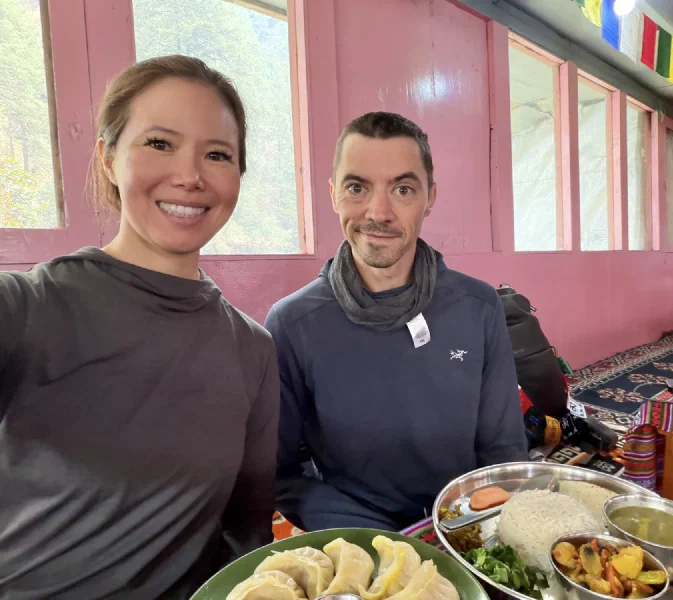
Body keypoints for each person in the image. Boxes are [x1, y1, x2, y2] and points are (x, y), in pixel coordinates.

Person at [0, 56, 278, 599]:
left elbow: (248, 537)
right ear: (107, 158)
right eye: (159, 143)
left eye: (217, 154)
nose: (190, 175)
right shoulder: (28, 307)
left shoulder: (252, 348)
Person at [265, 111, 527, 532]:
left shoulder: (478, 306)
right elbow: (282, 474)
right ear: (333, 194)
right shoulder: (293, 323)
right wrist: (382, 540)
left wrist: (469, 527)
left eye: (403, 189)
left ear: (430, 196)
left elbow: (503, 450)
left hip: (464, 531)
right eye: (357, 187)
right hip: (357, 543)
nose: (379, 212)